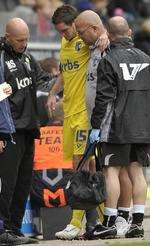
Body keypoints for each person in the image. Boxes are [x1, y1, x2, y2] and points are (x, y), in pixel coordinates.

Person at [47, 4, 108, 240]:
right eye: (59, 32)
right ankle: (102, 221)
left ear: (76, 24)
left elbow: (103, 33)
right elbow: (64, 72)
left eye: (65, 30)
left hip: (85, 113)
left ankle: (75, 223)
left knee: (79, 166)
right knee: (89, 169)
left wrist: (103, 35)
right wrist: (53, 93)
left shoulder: (85, 40)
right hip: (69, 113)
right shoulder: (65, 43)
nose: (63, 35)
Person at [89, 16, 150, 239]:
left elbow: (103, 98)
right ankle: (137, 224)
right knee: (137, 171)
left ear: (109, 35)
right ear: (130, 32)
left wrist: (95, 127)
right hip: (143, 125)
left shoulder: (109, 59)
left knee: (111, 171)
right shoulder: (146, 58)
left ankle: (110, 222)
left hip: (117, 126)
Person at [75, 10, 132, 238]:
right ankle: (116, 218)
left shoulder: (109, 47)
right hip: (97, 119)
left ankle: (122, 218)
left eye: (82, 32)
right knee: (110, 171)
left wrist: (100, 124)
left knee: (121, 170)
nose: (79, 36)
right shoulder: (92, 48)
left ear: (96, 29)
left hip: (112, 122)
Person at [0, 17, 52, 244]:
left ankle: (14, 229)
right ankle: (2, 230)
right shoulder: (1, 59)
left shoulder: (29, 58)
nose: (24, 43)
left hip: (29, 131)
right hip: (8, 133)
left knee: (23, 184)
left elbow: (44, 82)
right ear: (7, 37)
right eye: (20, 40)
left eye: (27, 39)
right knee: (7, 184)